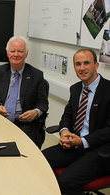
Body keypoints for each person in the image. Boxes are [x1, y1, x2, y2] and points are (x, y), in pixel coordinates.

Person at [42, 49, 110, 194]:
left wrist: (82, 141)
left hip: (101, 150)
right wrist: (64, 132)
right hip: (75, 145)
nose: (82, 68)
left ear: (96, 65)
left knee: (66, 181)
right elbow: (67, 116)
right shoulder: (76, 88)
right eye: (78, 64)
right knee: (39, 160)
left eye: (87, 63)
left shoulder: (108, 90)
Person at [0, 36, 48, 148]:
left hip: (25, 124)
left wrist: (35, 112)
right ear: (8, 53)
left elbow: (43, 103)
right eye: (12, 51)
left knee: (24, 149)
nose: (16, 54)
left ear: (26, 54)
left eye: (20, 51)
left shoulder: (36, 75)